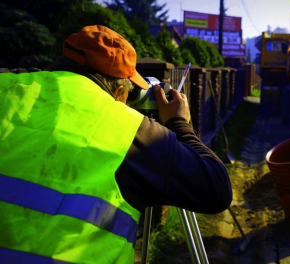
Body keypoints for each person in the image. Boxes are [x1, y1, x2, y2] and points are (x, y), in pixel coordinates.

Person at [0, 25, 232, 263]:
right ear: (120, 91)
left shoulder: (8, 87)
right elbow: (217, 190)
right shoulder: (131, 131)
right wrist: (179, 122)